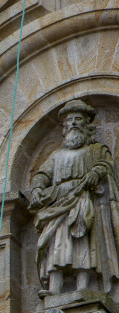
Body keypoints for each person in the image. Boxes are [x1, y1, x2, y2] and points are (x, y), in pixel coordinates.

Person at [29, 98, 119, 296]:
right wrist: (36, 188)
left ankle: (83, 286)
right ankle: (54, 288)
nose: (74, 123)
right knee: (56, 247)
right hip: (60, 204)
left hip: (84, 203)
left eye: (78, 119)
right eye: (69, 120)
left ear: (87, 126)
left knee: (83, 248)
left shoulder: (95, 151)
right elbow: (42, 175)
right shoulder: (56, 155)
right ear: (64, 127)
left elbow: (106, 166)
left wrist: (96, 173)